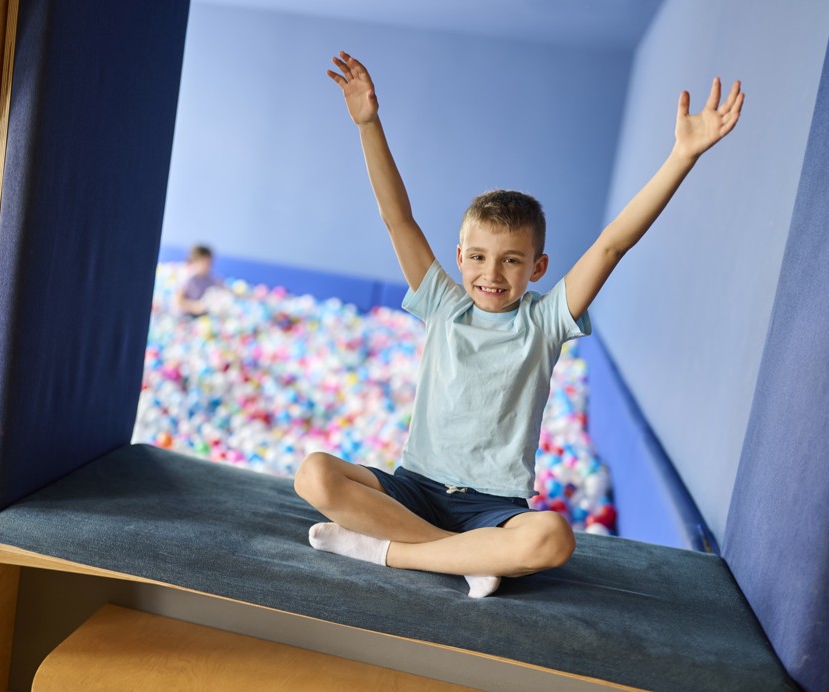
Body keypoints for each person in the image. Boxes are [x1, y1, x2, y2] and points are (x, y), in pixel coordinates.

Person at [294, 51, 744, 598]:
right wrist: (369, 124)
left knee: (553, 538)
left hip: (494, 508)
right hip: (414, 488)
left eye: (511, 259)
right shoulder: (443, 302)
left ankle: (392, 551)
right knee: (314, 474)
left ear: (538, 267)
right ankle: (461, 559)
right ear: (459, 257)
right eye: (479, 257)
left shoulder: (546, 320)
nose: (492, 273)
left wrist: (682, 156)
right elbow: (398, 218)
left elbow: (611, 245)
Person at [177, 244, 222, 317]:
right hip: (185, 315)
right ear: (197, 260)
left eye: (210, 263)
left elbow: (221, 285)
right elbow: (178, 300)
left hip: (200, 316)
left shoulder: (208, 277)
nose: (210, 265)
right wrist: (194, 307)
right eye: (206, 262)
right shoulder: (188, 277)